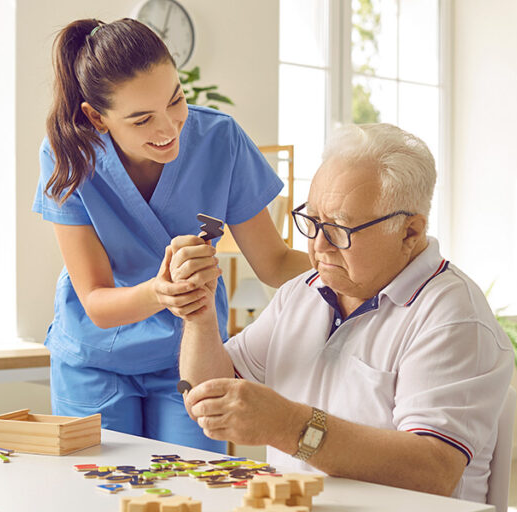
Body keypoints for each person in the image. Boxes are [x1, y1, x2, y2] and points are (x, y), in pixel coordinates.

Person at [172, 123, 514, 501]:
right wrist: (198, 313)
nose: (318, 246)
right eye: (312, 221)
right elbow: (205, 393)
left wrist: (288, 425)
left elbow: (432, 471)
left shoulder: (452, 316)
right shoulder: (302, 293)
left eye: (339, 228)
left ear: (409, 232)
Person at [31, 18, 310, 452]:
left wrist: (352, 262)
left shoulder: (221, 140)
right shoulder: (68, 155)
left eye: (175, 100)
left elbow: (274, 265)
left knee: (194, 488)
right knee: (98, 493)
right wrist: (163, 293)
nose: (168, 129)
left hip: (190, 358)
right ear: (97, 118)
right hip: (95, 358)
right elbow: (97, 302)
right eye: (141, 119)